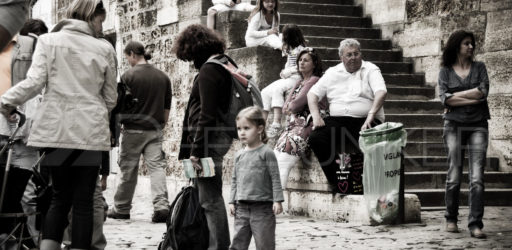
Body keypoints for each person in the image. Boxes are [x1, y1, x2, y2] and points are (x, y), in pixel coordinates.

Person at [0, 0, 117, 249]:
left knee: (59, 197)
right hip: (89, 133)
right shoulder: (104, 48)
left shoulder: (48, 41)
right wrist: (93, 112)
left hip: (56, 130)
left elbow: (34, 83)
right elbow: (110, 98)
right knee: (83, 200)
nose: (100, 27)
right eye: (100, 20)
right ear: (91, 15)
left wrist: (6, 101)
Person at [173, 24, 235, 250]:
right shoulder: (225, 63)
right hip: (215, 138)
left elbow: (206, 114)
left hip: (208, 141)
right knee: (205, 195)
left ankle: (218, 246)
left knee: (210, 198)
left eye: (190, 57)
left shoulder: (209, 70)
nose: (190, 63)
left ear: (195, 49)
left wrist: (196, 152)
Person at [307, 38, 387, 191]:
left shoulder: (371, 69)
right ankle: (337, 182)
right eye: (349, 55)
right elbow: (312, 94)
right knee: (316, 138)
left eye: (356, 53)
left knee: (374, 141)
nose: (353, 57)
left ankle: (372, 185)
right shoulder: (332, 72)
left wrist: (371, 115)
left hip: (366, 119)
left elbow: (381, 92)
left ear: (361, 54)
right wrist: (316, 116)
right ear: (341, 58)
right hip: (338, 120)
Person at [107, 41, 171, 223]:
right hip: (154, 130)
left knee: (128, 170)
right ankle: (161, 206)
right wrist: (161, 125)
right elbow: (166, 108)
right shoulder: (163, 77)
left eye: (127, 57)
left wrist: (115, 130)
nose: (128, 61)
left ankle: (121, 208)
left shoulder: (128, 76)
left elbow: (118, 106)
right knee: (157, 168)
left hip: (133, 130)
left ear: (133, 54)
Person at [438, 30, 490, 239]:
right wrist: (470, 96)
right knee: (454, 175)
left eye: (472, 44)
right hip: (453, 126)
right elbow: (444, 99)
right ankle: (451, 218)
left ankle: (475, 224)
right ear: (457, 46)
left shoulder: (480, 68)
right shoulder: (445, 71)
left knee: (477, 178)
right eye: (467, 43)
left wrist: (454, 96)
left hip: (478, 125)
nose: (471, 47)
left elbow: (483, 93)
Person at [0, 21, 45, 249]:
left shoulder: (31, 44)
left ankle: (32, 242)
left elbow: (39, 84)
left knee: (27, 193)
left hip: (23, 130)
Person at [229, 106, 284, 250]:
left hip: (263, 208)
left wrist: (277, 200)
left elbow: (275, 177)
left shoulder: (267, 153)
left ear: (259, 129)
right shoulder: (239, 155)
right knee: (238, 244)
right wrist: (231, 201)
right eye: (239, 129)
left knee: (264, 244)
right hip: (241, 208)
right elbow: (235, 179)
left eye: (247, 128)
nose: (242, 133)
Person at [274, 48, 326, 189]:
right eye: (300, 60)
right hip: (293, 127)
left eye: (306, 60)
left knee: (284, 161)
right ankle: (273, 201)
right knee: (275, 158)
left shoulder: (314, 80)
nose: (301, 63)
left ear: (314, 64)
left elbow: (295, 105)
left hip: (308, 126)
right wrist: (290, 106)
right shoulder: (299, 82)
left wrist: (291, 106)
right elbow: (286, 107)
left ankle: (277, 202)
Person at [261, 24, 306, 137]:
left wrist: (289, 71)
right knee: (265, 91)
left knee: (277, 89)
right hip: (289, 77)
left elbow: (303, 66)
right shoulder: (288, 48)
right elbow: (289, 61)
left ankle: (276, 123)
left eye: (285, 36)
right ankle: (261, 125)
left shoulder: (301, 49)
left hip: (297, 77)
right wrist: (284, 70)